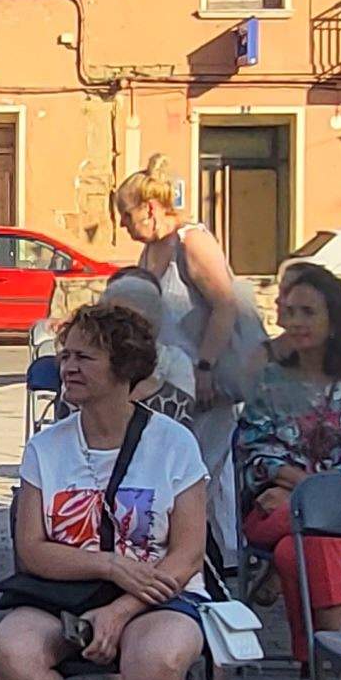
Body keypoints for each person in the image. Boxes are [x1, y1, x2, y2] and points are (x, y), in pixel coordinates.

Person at [0, 298, 215, 680]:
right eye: (64, 355)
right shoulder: (47, 446)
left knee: (160, 659)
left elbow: (187, 553)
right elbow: (32, 551)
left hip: (159, 592)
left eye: (84, 356)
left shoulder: (173, 444)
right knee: (7, 652)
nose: (68, 366)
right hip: (62, 591)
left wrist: (124, 606)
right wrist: (111, 569)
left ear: (124, 369)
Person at [235, 263, 341, 680]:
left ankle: (312, 674)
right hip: (274, 508)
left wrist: (299, 488)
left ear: (334, 318)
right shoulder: (268, 380)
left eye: (309, 312)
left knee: (300, 546)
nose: (296, 321)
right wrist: (298, 485)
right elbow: (251, 449)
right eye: (290, 311)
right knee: (310, 535)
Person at [113, 168, 263, 565]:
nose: (123, 225)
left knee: (203, 466)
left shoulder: (192, 242)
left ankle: (219, 558)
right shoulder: (150, 250)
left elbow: (225, 304)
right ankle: (205, 552)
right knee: (184, 463)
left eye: (127, 216)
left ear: (149, 208)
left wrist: (206, 366)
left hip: (205, 374)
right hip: (170, 379)